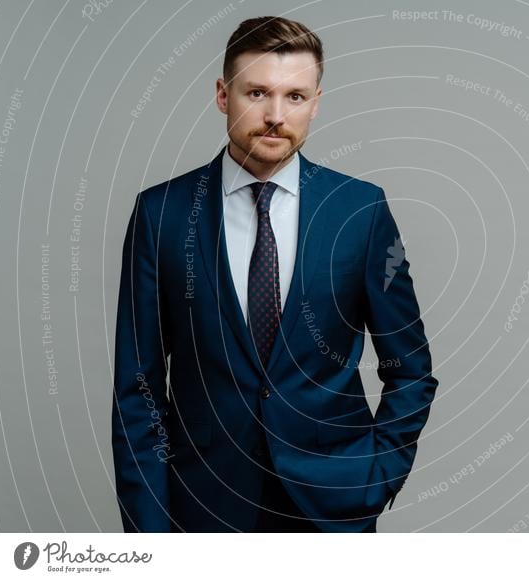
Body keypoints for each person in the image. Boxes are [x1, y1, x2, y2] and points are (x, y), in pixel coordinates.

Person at [111, 15, 438, 533]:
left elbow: (410, 367)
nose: (274, 115)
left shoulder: (360, 211)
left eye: (295, 97)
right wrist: (149, 532)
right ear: (223, 95)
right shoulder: (162, 214)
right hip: (202, 510)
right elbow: (138, 387)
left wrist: (377, 477)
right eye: (257, 92)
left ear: (316, 102)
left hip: (332, 509)